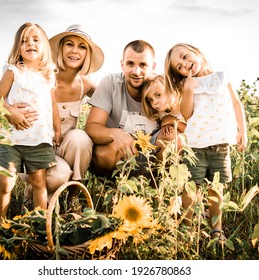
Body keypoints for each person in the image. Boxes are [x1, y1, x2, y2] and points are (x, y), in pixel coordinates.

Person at [164, 43, 248, 241]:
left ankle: (216, 229)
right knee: (191, 188)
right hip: (196, 147)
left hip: (221, 145)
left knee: (216, 189)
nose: (186, 65)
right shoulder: (188, 85)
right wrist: (188, 90)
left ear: (197, 52)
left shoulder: (222, 76)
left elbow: (236, 103)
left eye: (185, 57)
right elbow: (186, 113)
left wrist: (242, 130)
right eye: (180, 67)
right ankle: (186, 228)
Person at [21, 24, 104, 206]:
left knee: (81, 139)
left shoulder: (86, 85)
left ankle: (72, 198)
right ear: (60, 48)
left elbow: (110, 103)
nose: (75, 51)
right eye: (69, 44)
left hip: (64, 149)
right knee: (60, 173)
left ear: (87, 55)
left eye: (82, 47)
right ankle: (33, 200)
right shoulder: (42, 78)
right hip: (37, 150)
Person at [0, 22, 61, 225]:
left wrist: (57, 129)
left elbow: (53, 105)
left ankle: (40, 223)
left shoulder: (48, 77)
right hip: (12, 138)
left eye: (35, 39)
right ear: (18, 48)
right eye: (24, 41)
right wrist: (11, 112)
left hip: (39, 138)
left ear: (45, 47)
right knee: (6, 181)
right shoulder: (13, 71)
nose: (30, 43)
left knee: (39, 182)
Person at [85, 40, 158, 178]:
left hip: (150, 157)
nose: (136, 71)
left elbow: (178, 121)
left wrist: (169, 120)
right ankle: (112, 191)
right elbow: (92, 127)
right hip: (118, 155)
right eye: (130, 64)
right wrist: (116, 134)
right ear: (122, 64)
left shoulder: (161, 86)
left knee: (175, 140)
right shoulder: (111, 83)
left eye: (143, 65)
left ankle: (158, 193)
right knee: (103, 153)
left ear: (153, 67)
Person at [141, 74, 187, 160]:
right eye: (150, 100)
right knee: (171, 140)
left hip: (193, 142)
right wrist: (166, 124)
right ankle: (159, 171)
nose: (154, 103)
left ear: (170, 90)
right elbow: (164, 122)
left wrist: (174, 121)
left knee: (178, 141)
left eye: (158, 95)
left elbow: (192, 131)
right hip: (167, 141)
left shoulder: (183, 105)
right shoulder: (160, 112)